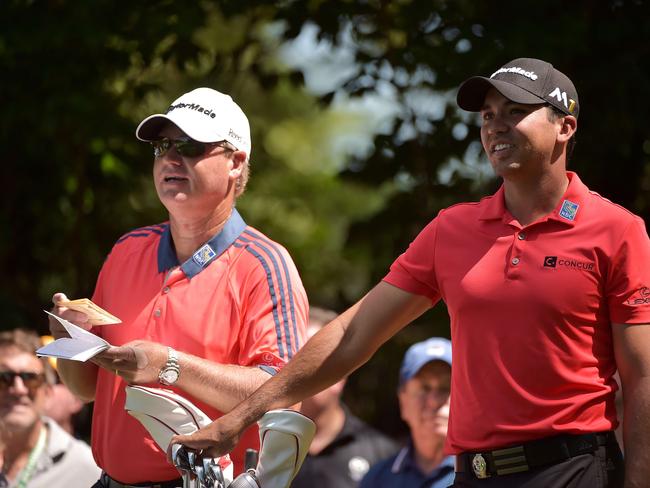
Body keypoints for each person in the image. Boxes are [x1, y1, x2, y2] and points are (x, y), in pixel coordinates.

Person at [171, 58, 650, 488]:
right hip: (473, 475)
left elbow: (642, 375)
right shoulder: (452, 230)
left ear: (565, 127)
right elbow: (352, 334)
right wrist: (241, 416)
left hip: (573, 471)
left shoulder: (617, 231)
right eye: (487, 115)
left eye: (513, 112)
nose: (495, 126)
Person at [48, 87, 308, 487]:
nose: (171, 157)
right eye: (163, 145)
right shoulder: (126, 250)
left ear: (236, 162)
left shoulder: (264, 264)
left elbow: (284, 394)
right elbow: (85, 390)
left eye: (190, 145)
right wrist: (69, 339)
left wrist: (170, 365)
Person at [292, 307, 398, 487]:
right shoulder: (262, 448)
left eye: (312, 358)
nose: (298, 368)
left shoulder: (384, 457)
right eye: (294, 357)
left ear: (341, 372)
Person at [0, 328, 100, 487]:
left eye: (30, 378)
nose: (18, 389)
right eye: (4, 378)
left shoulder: (87, 467)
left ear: (47, 391)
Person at [359, 337, 454, 488]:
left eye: (445, 388)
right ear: (402, 401)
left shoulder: (480, 473)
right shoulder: (377, 480)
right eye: (424, 388)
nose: (434, 401)